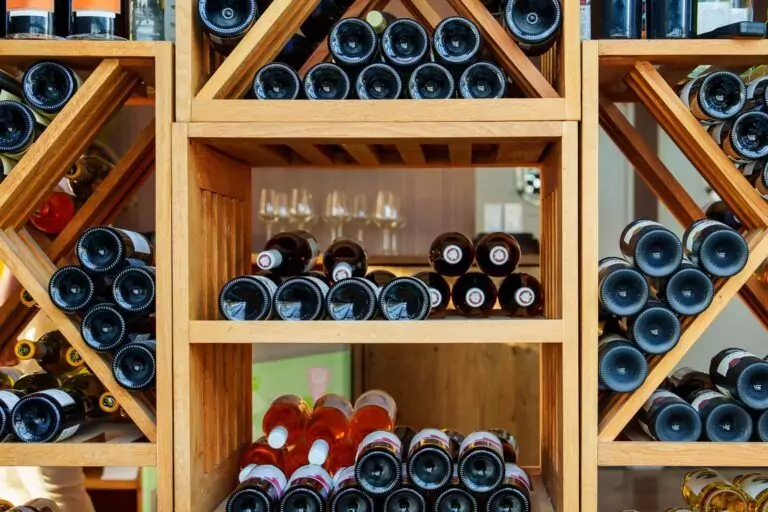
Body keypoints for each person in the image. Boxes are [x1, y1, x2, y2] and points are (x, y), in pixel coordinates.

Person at [0, 264, 96, 512]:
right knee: (12, 478)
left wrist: (6, 325)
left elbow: (18, 255)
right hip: (27, 318)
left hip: (30, 319)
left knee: (49, 476)